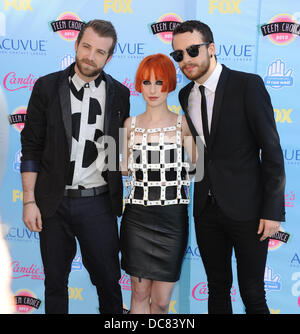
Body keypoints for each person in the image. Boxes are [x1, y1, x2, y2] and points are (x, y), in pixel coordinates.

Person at [171, 20, 286, 314]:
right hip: (206, 211)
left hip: (249, 210)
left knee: (253, 293)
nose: (185, 60)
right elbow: (201, 153)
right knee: (217, 287)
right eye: (178, 55)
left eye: (192, 50)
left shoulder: (247, 85)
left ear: (211, 48)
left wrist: (272, 211)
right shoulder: (186, 96)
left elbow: (271, 150)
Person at [20, 19, 130, 314]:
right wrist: (29, 200)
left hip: (98, 204)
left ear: (109, 57)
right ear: (76, 44)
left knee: (108, 281)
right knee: (55, 283)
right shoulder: (46, 87)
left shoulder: (121, 94)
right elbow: (30, 146)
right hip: (52, 204)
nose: (90, 56)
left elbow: (121, 147)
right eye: (86, 47)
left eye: (100, 52)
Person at [120, 53, 196, 314]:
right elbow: (120, 169)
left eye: (159, 82)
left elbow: (200, 167)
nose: (152, 90)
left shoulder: (183, 124)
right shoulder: (129, 125)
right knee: (139, 293)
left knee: (162, 301)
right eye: (146, 82)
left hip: (172, 220)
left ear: (170, 84)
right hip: (137, 217)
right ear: (139, 85)